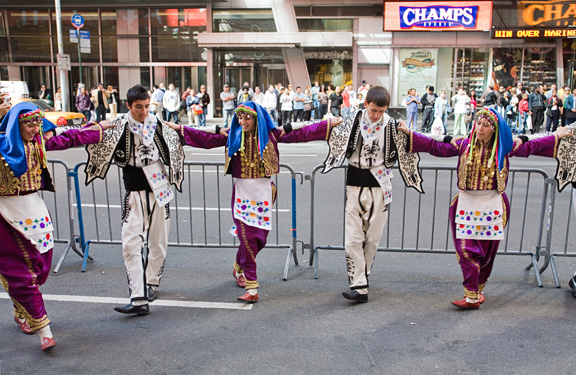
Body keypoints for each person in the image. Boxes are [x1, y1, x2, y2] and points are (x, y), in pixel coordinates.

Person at [166, 102, 342, 303]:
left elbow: (304, 132)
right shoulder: (232, 135)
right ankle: (252, 287)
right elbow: (203, 137)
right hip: (242, 194)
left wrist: (329, 123)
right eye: (239, 118)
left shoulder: (271, 135)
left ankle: (238, 267)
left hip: (264, 194)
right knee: (248, 237)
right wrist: (178, 129)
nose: (242, 121)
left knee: (259, 239)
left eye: (247, 117)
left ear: (256, 118)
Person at [398, 107, 573, 309]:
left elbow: (533, 146)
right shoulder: (464, 145)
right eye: (478, 123)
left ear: (494, 129)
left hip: (493, 205)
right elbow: (434, 147)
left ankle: (478, 289)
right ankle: (471, 294)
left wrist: (556, 135)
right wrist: (410, 134)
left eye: (486, 125)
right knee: (466, 250)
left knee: (487, 253)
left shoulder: (504, 148)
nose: (479, 128)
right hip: (466, 204)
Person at [0, 102, 113, 351]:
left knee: (39, 269)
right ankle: (44, 330)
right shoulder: (1, 145)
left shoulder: (39, 141)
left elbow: (70, 137)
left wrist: (98, 128)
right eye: (29, 124)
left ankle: (21, 308)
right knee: (22, 274)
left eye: (37, 123)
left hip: (34, 210)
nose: (35, 129)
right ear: (16, 125)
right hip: (5, 215)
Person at [84, 84, 188, 315]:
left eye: (147, 106)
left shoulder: (159, 125)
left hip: (160, 190)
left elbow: (190, 136)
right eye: (139, 107)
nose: (144, 111)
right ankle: (138, 298)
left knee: (158, 242)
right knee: (130, 243)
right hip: (134, 192)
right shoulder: (117, 126)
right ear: (128, 106)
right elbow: (82, 135)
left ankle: (151, 284)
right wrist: (92, 127)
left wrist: (221, 132)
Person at [322, 86, 424, 303]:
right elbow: (317, 130)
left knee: (372, 240)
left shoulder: (394, 126)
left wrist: (449, 140)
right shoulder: (351, 120)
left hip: (381, 187)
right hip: (354, 185)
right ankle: (359, 287)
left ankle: (361, 280)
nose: (376, 115)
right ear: (366, 103)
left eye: (381, 111)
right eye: (373, 109)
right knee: (352, 239)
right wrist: (286, 129)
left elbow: (426, 144)